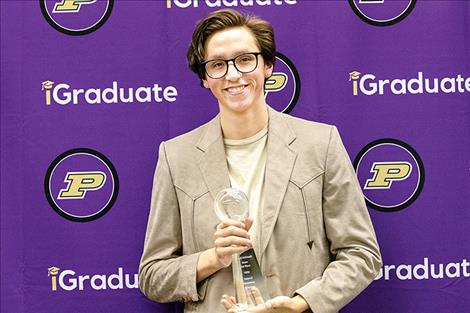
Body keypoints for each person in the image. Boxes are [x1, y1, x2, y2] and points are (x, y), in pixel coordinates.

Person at [138, 9, 381, 313]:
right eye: (217, 65)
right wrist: (214, 257)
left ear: (267, 65)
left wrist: (301, 303)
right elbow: (152, 276)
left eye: (244, 59)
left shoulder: (320, 144)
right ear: (204, 79)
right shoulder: (176, 157)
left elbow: (362, 254)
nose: (233, 74)